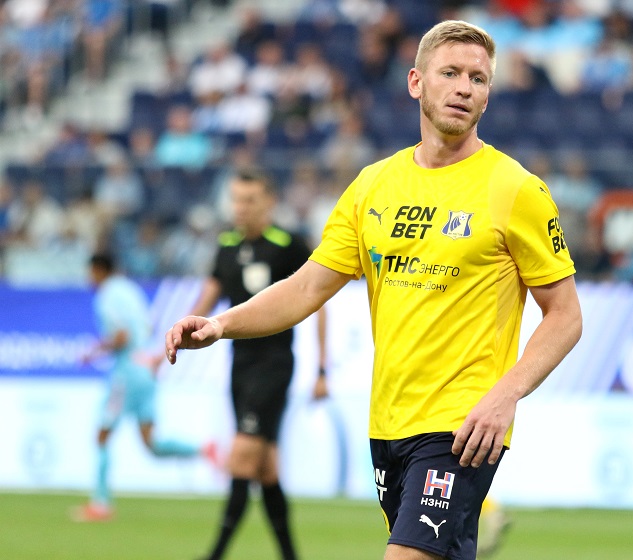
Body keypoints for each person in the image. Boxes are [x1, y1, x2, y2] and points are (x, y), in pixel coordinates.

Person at [165, 20, 582, 560]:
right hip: (388, 423)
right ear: (415, 82)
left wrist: (506, 395)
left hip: (463, 426)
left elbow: (565, 315)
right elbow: (306, 287)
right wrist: (220, 324)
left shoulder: (516, 189)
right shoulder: (372, 186)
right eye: (450, 73)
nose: (463, 88)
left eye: (478, 79)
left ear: (488, 94)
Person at [185, 168, 328, 560]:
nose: (241, 208)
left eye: (249, 200)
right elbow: (210, 294)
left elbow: (318, 300)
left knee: (242, 457)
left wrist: (322, 369)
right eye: (236, 199)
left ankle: (213, 555)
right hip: (239, 365)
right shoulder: (227, 244)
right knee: (266, 470)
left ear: (269, 202)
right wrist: (182, 330)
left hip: (274, 365)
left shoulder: (288, 244)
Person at [73, 252, 215, 522]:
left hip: (127, 372)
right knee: (152, 442)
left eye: (90, 273)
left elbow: (122, 335)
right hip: (146, 369)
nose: (88, 279)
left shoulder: (107, 295)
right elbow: (147, 328)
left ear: (99, 271)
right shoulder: (130, 290)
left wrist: (93, 351)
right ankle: (203, 449)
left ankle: (101, 503)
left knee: (102, 435)